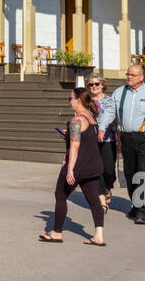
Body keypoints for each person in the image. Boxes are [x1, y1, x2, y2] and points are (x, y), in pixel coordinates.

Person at [98, 63, 145, 225]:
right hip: (126, 137)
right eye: (128, 74)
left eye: (132, 75)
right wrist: (102, 127)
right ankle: (135, 205)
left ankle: (142, 211)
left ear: (141, 77)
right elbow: (110, 111)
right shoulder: (119, 92)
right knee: (129, 173)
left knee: (142, 172)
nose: (129, 77)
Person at [39, 87, 106, 245]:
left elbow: (75, 146)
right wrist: (67, 135)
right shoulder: (91, 118)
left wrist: (69, 170)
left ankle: (56, 232)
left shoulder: (76, 120)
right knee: (94, 200)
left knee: (60, 195)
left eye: (70, 98)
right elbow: (85, 140)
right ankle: (99, 236)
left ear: (78, 100)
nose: (69, 102)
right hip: (93, 165)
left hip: (78, 166)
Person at [86, 74, 118, 214]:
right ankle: (102, 201)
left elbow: (109, 115)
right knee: (97, 170)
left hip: (108, 139)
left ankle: (107, 188)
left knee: (109, 171)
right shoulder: (85, 101)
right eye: (91, 84)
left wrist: (102, 128)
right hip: (91, 140)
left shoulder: (109, 101)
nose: (94, 87)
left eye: (97, 84)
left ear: (102, 85)